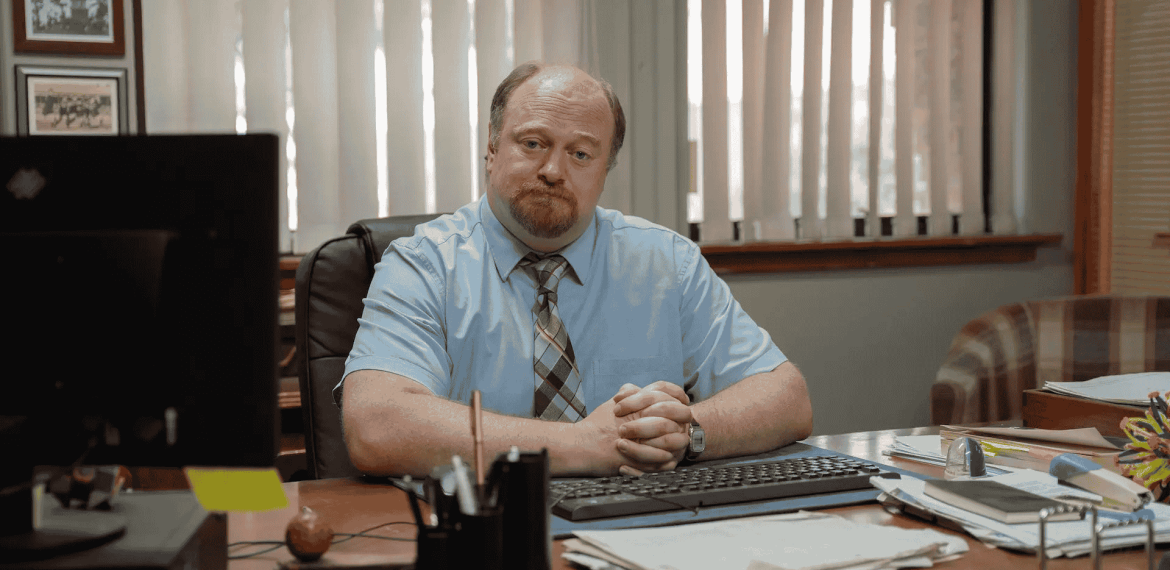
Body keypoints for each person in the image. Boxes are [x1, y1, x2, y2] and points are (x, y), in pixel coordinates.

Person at [339, 62, 812, 478]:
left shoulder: (667, 262)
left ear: (606, 169)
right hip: (490, 525)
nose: (552, 170)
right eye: (532, 143)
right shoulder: (424, 265)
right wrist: (587, 445)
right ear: (491, 148)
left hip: (642, 524)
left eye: (581, 153)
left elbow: (786, 398)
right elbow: (376, 426)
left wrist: (689, 432)